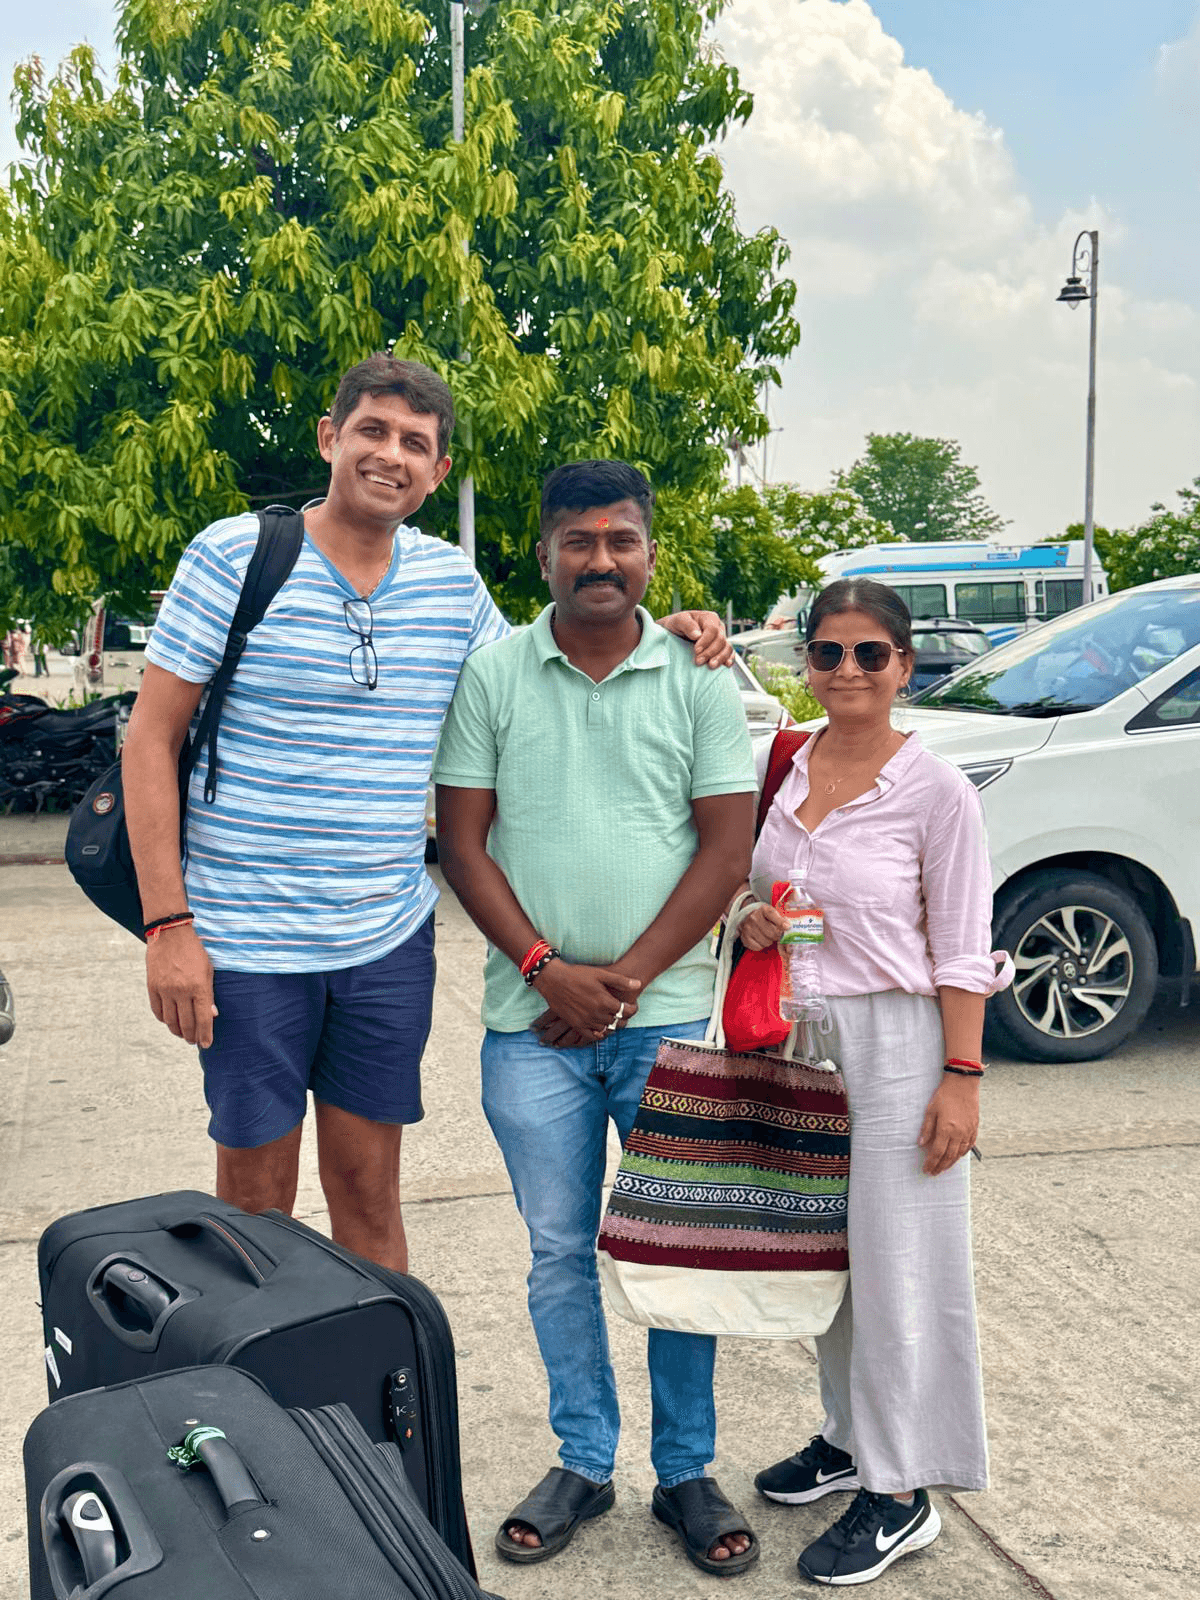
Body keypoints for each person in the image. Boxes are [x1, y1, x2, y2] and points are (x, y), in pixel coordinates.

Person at [121, 354, 732, 1273]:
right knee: (253, 1210)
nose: (390, 455)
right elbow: (150, 742)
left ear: (438, 472)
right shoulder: (235, 553)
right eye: (372, 431)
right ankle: (260, 1411)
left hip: (383, 940)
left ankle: (376, 1413)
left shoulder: (449, 584)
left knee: (369, 1202)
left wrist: (669, 628)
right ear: (331, 439)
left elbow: (541, 668)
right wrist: (169, 926)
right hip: (247, 942)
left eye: (416, 443)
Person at [434, 461, 761, 1576]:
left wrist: (612, 979)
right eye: (579, 541)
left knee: (681, 1251)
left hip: (664, 1018)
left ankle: (686, 1470)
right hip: (530, 1029)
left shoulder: (698, 678)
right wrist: (542, 968)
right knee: (558, 1253)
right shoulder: (495, 675)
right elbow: (463, 843)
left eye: (622, 540)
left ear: (651, 555)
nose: (602, 560)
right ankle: (584, 1453)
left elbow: (726, 850)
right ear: (543, 556)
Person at [740, 577, 1012, 1587]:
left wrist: (962, 1077)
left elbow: (962, 947)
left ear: (903, 665)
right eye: (828, 653)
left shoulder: (934, 790)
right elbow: (755, 881)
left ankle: (904, 1492)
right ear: (804, 663)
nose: (847, 671)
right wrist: (754, 911)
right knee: (828, 1260)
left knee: (903, 1264)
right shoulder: (787, 763)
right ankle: (852, 1435)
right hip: (800, 1036)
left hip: (900, 1042)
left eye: (870, 654)